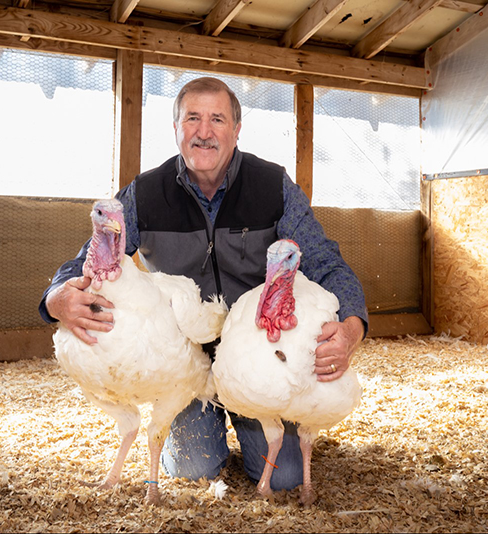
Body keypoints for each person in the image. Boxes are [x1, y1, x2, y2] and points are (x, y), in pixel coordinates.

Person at [39, 76, 368, 491]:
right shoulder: (146, 193)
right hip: (182, 359)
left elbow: (325, 261)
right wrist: (57, 297)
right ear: (176, 127)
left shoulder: (273, 187)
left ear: (236, 129)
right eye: (192, 118)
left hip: (255, 357)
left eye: (217, 119)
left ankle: (259, 429)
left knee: (282, 478)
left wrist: (353, 326)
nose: (204, 131)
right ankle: (206, 426)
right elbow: (90, 256)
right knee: (191, 470)